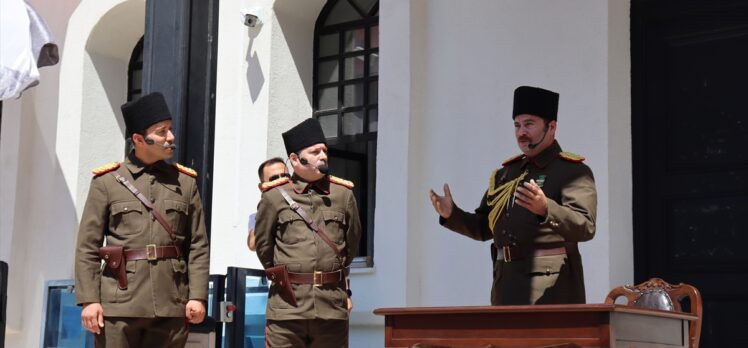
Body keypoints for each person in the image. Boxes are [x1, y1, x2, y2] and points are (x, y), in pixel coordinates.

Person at [429, 86, 597, 305]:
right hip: (505, 285)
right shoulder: (506, 173)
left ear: (552, 127)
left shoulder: (573, 171)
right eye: (517, 125)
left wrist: (547, 209)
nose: (521, 132)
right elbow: (483, 227)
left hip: (551, 292)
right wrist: (452, 214)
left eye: (529, 124)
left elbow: (586, 226)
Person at [75, 92, 210, 347]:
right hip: (119, 305)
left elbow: (198, 246)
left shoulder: (185, 182)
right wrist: (90, 300)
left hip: (172, 302)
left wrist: (198, 296)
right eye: (162, 132)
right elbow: (87, 247)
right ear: (139, 139)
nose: (171, 138)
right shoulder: (107, 182)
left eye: (170, 129)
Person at [255, 118, 362, 347]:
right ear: (295, 159)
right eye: (315, 152)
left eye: (324, 150)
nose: (323, 156)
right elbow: (265, 249)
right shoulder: (274, 197)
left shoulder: (343, 195)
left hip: (331, 308)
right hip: (288, 308)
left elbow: (351, 244)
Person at [247, 157, 289, 251]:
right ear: (262, 186)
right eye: (274, 179)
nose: (281, 181)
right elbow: (253, 244)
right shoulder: (258, 214)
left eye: (285, 176)